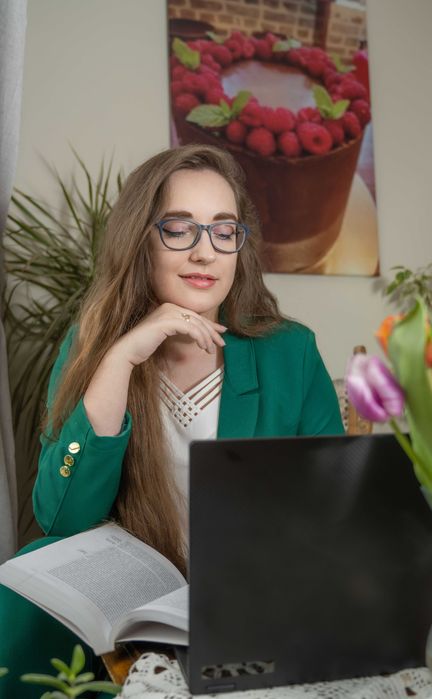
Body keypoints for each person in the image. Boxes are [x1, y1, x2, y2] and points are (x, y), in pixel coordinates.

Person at [0, 144, 344, 698]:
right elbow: (61, 517)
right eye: (180, 229)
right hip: (131, 596)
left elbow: (335, 511)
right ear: (142, 241)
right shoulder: (92, 347)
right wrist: (119, 360)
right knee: (27, 579)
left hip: (250, 590)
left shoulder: (291, 350)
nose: (205, 252)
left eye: (223, 231)